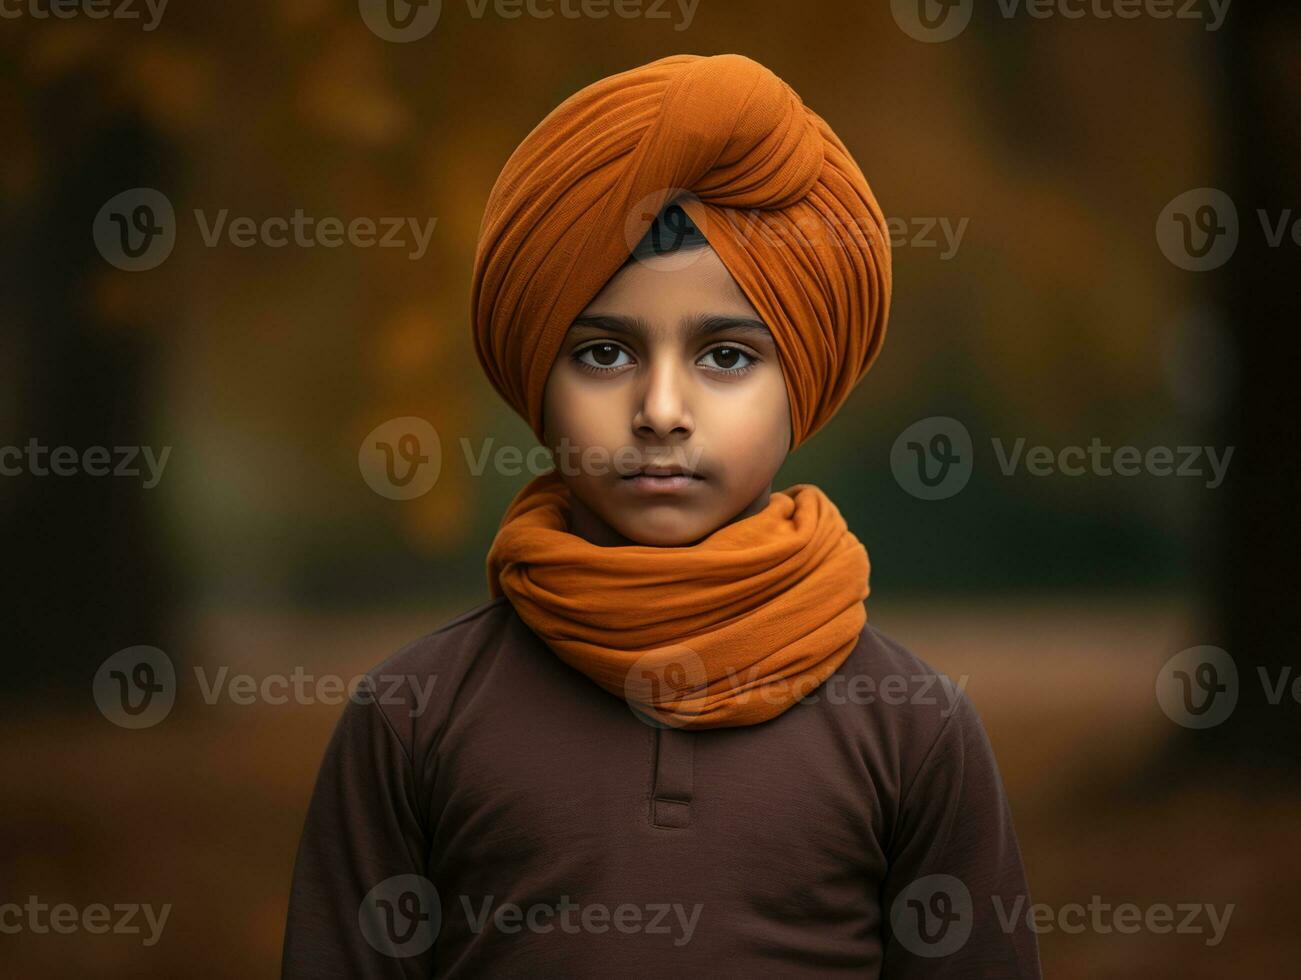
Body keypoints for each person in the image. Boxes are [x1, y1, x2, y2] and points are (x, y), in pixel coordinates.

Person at [281, 52, 1041, 978]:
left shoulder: (912, 730)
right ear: (537, 379)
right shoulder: (413, 719)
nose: (661, 409)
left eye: (726, 357)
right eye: (603, 353)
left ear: (803, 378)